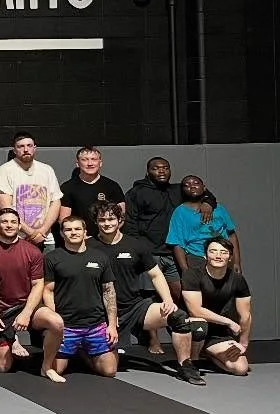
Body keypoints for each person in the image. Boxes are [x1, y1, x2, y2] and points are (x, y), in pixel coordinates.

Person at [92, 202, 204, 385]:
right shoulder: (89, 246)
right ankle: (83, 352)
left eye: (111, 219)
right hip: (101, 313)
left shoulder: (136, 245)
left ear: (120, 221)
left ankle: (185, 364)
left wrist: (168, 299)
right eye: (102, 220)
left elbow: (155, 274)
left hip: (135, 307)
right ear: (96, 222)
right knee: (109, 369)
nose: (107, 223)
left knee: (178, 317)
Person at [40, 215, 119, 383]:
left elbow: (109, 291)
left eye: (77, 229)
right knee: (55, 370)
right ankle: (76, 348)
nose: (73, 233)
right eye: (68, 229)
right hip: (67, 326)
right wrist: (56, 321)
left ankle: (83, 351)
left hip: (95, 325)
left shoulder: (100, 257)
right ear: (62, 234)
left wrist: (112, 325)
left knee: (110, 371)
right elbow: (47, 290)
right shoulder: (52, 258)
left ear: (85, 232)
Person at [125, 157, 215, 299]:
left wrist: (208, 202)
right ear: (148, 172)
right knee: (151, 296)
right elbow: (130, 223)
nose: (162, 171)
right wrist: (138, 250)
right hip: (150, 253)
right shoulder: (136, 193)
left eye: (165, 168)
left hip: (174, 253)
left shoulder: (177, 190)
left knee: (182, 295)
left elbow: (203, 192)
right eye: (156, 168)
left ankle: (183, 321)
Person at [0, 208, 47, 373]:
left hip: (24, 306)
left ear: (19, 225)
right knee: (3, 366)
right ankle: (11, 339)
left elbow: (38, 284)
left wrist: (27, 313)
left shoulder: (33, 251)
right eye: (4, 222)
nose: (9, 225)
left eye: (13, 222)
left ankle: (49, 365)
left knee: (55, 322)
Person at [180, 237, 252, 376]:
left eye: (223, 252)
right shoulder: (192, 274)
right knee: (200, 326)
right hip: (192, 327)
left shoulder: (237, 279)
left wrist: (243, 344)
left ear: (230, 257)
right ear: (205, 255)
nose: (218, 256)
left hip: (219, 333)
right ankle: (192, 361)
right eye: (213, 251)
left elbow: (245, 314)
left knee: (241, 368)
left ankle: (208, 353)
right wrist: (229, 322)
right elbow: (195, 310)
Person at [0, 132, 63, 249]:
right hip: (17, 237)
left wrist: (42, 231)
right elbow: (6, 207)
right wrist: (31, 232)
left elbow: (55, 202)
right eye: (21, 146)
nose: (26, 149)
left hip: (45, 236)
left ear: (35, 148)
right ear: (14, 150)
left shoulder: (47, 170)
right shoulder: (5, 170)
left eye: (29, 146)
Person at [167, 175, 241, 278]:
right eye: (187, 185)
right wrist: (185, 270)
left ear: (204, 187)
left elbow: (232, 235)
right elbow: (177, 244)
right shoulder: (180, 212)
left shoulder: (219, 208)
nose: (192, 187)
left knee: (226, 291)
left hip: (223, 256)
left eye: (196, 184)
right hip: (197, 257)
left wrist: (236, 262)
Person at [57, 147, 126, 237]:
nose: (90, 163)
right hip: (81, 240)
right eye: (84, 160)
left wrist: (108, 235)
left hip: (106, 240)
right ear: (77, 164)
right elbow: (64, 220)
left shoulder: (112, 186)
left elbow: (121, 217)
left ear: (100, 163)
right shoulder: (67, 187)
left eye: (94, 159)